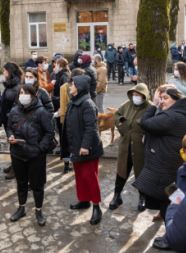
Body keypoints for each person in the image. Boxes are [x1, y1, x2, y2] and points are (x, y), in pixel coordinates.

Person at [132, 85, 186, 250]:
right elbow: (160, 130)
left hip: (166, 164)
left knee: (169, 197)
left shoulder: (173, 115)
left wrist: (153, 104)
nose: (161, 101)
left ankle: (171, 236)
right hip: (167, 162)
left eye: (165, 98)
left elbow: (145, 123)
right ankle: (163, 215)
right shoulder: (176, 113)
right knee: (166, 195)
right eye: (160, 98)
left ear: (176, 99)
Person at [6, 85, 56, 226]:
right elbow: (9, 126)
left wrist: (41, 148)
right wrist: (10, 136)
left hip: (36, 156)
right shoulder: (14, 110)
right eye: (21, 93)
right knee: (21, 183)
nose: (23, 95)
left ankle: (38, 210)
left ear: (33, 95)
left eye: (26, 93)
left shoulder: (41, 112)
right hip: (17, 154)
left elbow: (49, 133)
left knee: (37, 185)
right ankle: (21, 208)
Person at [63, 74, 104, 225]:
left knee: (89, 177)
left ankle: (96, 207)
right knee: (80, 176)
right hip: (76, 147)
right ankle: (84, 200)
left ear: (79, 87)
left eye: (72, 84)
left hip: (88, 149)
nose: (70, 87)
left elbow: (91, 128)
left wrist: (85, 146)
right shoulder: (73, 103)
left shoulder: (87, 104)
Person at [110, 83, 150, 211]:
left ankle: (143, 197)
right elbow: (117, 114)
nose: (135, 97)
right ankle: (117, 196)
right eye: (133, 95)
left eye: (137, 95)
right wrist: (121, 125)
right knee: (122, 170)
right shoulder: (127, 105)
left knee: (142, 173)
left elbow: (155, 124)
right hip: (125, 145)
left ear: (144, 96)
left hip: (141, 147)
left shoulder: (150, 108)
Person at [0, 62, 23, 180]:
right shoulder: (10, 84)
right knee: (11, 144)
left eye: (4, 70)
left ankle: (16, 169)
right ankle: (13, 164)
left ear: (10, 72)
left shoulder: (17, 86)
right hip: (8, 119)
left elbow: (17, 105)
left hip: (13, 121)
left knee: (15, 145)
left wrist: (9, 116)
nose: (3, 73)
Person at [59, 69, 85, 173]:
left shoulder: (63, 87)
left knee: (67, 142)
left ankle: (66, 164)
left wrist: (62, 119)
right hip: (75, 119)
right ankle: (75, 163)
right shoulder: (82, 88)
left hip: (66, 118)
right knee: (74, 142)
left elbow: (62, 103)